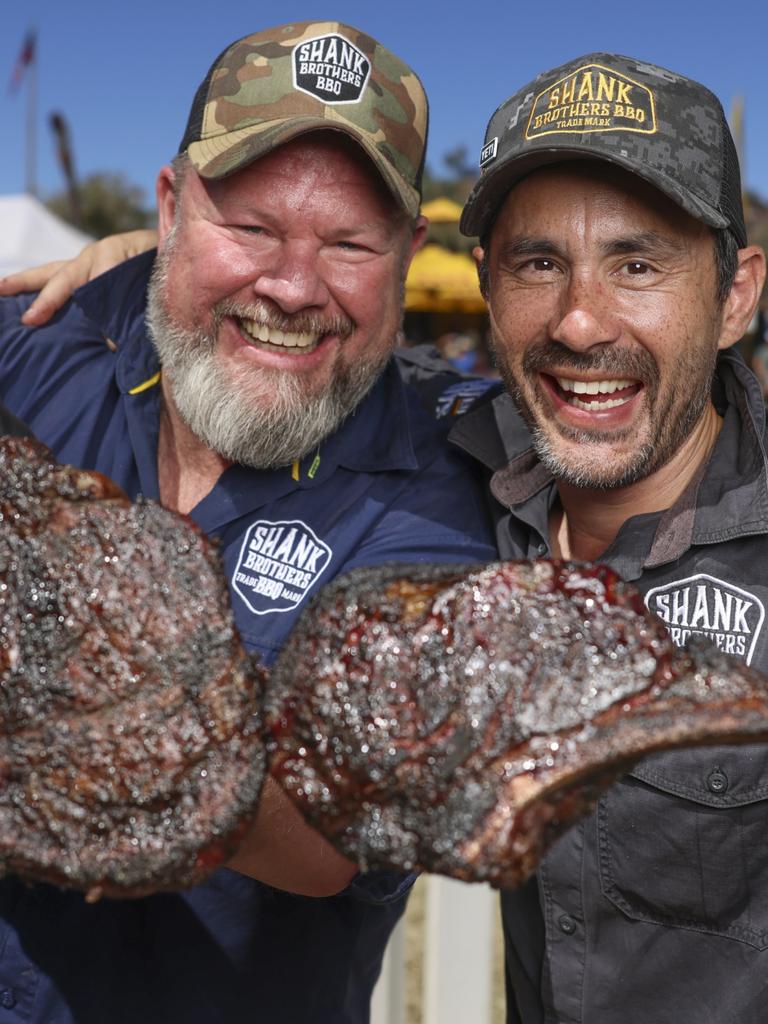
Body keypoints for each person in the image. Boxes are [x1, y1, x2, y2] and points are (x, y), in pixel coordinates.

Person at [0, 21, 496, 1024]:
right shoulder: (48, 347)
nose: (292, 286)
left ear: (407, 258)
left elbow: (331, 836)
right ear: (172, 206)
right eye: (253, 228)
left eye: (350, 244)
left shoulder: (437, 494)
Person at [447, 53, 767, 1023]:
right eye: (538, 264)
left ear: (737, 295)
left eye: (638, 263)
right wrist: (152, 263)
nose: (581, 322)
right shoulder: (448, 466)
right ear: (488, 289)